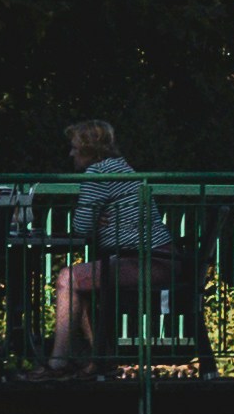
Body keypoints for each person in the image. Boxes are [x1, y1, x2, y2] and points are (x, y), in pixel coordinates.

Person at [43, 120, 158, 376]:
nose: (71, 154)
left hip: (148, 263)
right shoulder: (120, 167)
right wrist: (97, 218)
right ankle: (99, 359)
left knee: (67, 278)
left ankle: (58, 362)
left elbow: (81, 227)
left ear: (90, 150)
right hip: (155, 259)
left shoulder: (99, 173)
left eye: (75, 148)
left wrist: (94, 219)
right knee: (80, 281)